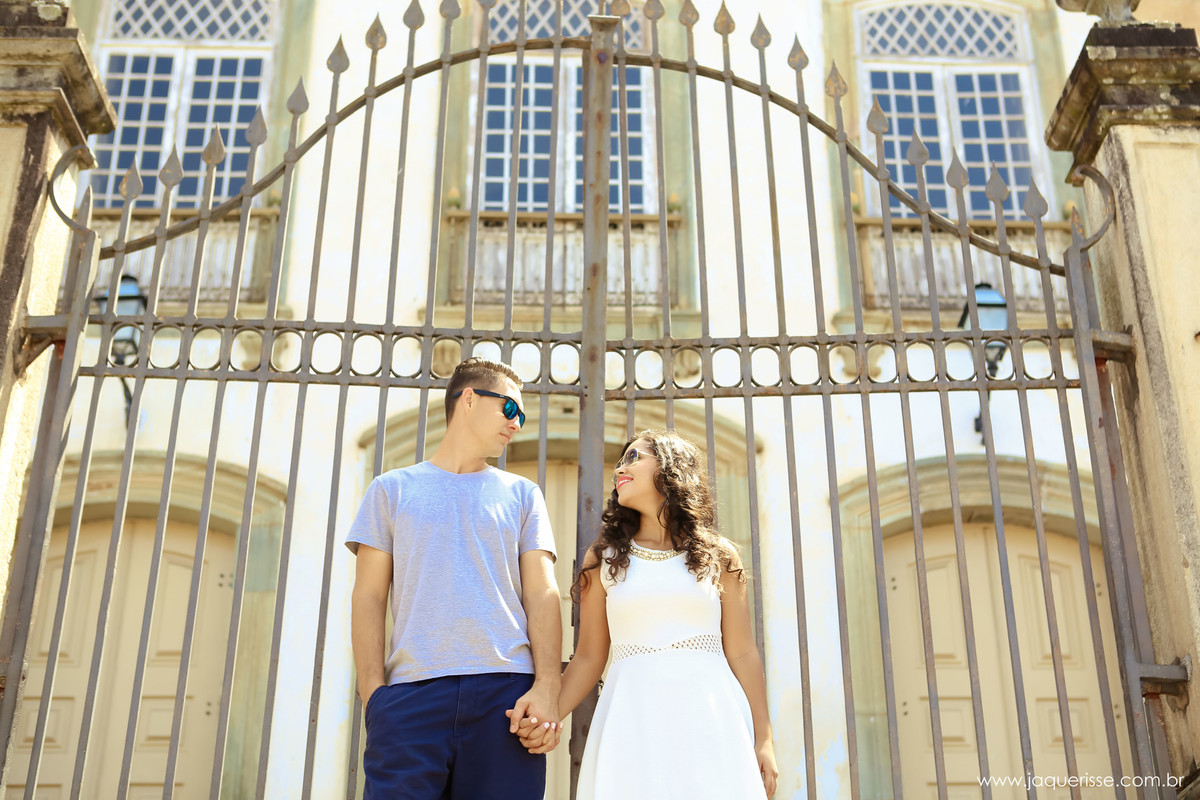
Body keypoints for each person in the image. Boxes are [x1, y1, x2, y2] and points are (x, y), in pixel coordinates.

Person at [514, 429, 779, 798]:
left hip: (712, 715)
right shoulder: (603, 559)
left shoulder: (719, 556)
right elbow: (590, 656)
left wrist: (763, 739)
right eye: (621, 460)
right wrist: (548, 716)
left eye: (635, 457)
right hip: (631, 716)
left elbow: (743, 652)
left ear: (671, 470)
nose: (621, 468)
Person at [346, 357, 561, 800]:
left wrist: (546, 688)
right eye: (510, 409)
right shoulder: (391, 490)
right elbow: (368, 596)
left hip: (506, 699)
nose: (517, 424)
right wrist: (374, 695)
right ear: (468, 398)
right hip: (410, 698)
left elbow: (542, 593)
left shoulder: (523, 495)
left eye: (522, 416)